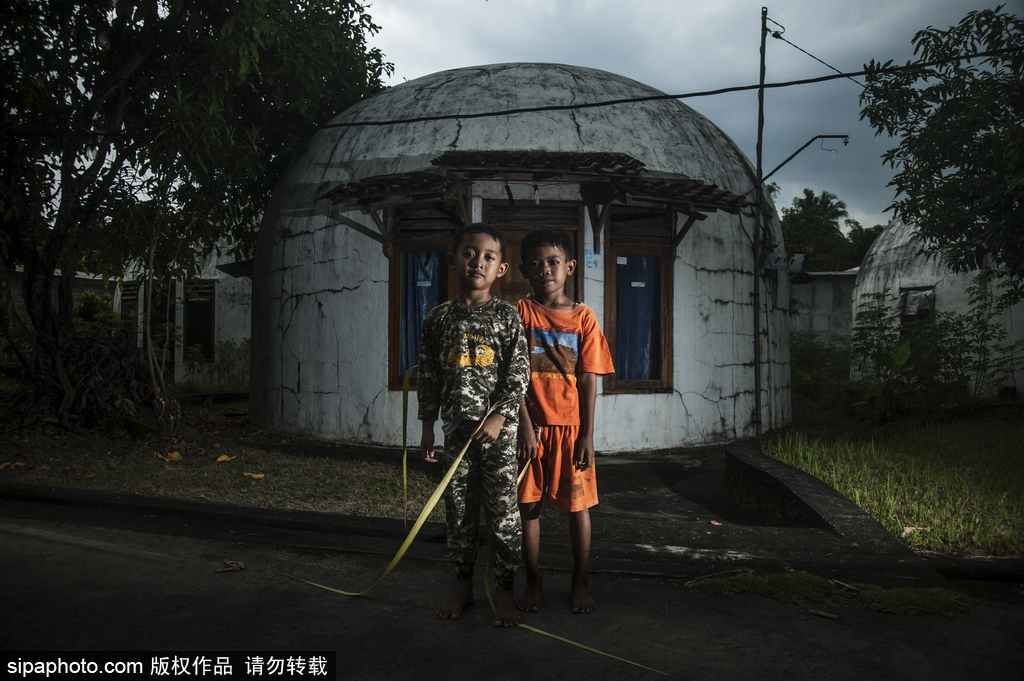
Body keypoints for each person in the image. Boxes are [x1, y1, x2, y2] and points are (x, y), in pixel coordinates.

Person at [417, 222, 531, 628]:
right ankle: (463, 587)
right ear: (453, 259)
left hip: (498, 436)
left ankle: (504, 592)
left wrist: (501, 416)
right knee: (459, 513)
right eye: (469, 253)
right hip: (455, 434)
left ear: (500, 269)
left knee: (503, 513)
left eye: (488, 256)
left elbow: (519, 374)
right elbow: (428, 374)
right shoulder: (437, 319)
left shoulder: (507, 317)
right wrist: (428, 426)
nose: (477, 262)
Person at [514, 226, 614, 615]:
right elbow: (513, 377)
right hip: (532, 432)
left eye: (553, 262)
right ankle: (534, 581)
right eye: (535, 264)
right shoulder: (520, 313)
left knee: (578, 508)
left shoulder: (584, 317)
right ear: (524, 270)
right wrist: (524, 426)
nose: (545, 270)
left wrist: (587, 435)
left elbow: (589, 378)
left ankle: (580, 581)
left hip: (571, 431)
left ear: (570, 266)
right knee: (529, 509)